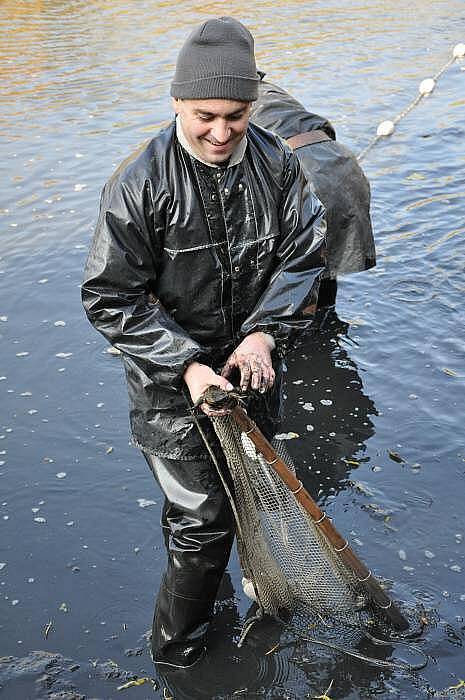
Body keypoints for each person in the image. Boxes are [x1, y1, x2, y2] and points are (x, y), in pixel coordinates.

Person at [81, 16, 326, 669]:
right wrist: (186, 364)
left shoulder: (278, 165)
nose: (220, 132)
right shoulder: (138, 183)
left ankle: (226, 593)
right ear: (176, 104)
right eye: (203, 116)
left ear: (253, 107)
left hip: (253, 375)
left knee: (248, 501)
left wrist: (263, 334)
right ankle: (181, 659)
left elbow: (304, 258)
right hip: (170, 389)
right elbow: (109, 297)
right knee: (200, 521)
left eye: (235, 116)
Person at [251, 78, 376, 308]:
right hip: (340, 166)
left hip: (299, 174)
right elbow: (324, 128)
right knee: (327, 270)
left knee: (288, 285)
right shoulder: (271, 90)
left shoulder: (218, 103)